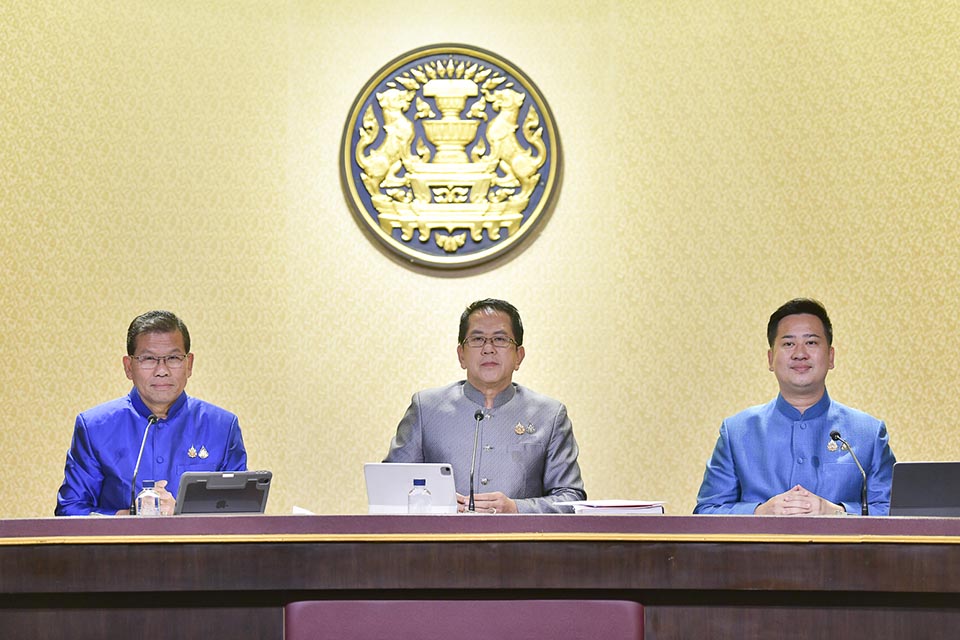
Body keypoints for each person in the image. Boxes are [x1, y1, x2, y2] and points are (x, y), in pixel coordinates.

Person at [695, 298, 896, 516]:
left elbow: (893, 512)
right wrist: (758, 513)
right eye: (788, 344)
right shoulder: (736, 432)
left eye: (811, 342)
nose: (800, 354)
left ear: (830, 357)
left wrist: (838, 513)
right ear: (771, 359)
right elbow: (706, 511)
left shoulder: (869, 433)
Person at [384, 299, 586, 514]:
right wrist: (436, 503)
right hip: (442, 535)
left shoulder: (549, 415)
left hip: (521, 536)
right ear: (461, 355)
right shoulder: (426, 409)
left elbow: (570, 498)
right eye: (477, 339)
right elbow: (389, 487)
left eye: (500, 339)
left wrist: (517, 509)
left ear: (518, 356)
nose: (488, 349)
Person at [55, 310, 247, 516]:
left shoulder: (222, 427)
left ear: (189, 364)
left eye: (173, 358)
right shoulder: (94, 428)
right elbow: (70, 510)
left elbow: (240, 512)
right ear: (129, 367)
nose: (162, 370)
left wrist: (181, 514)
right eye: (148, 359)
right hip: (121, 539)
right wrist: (129, 517)